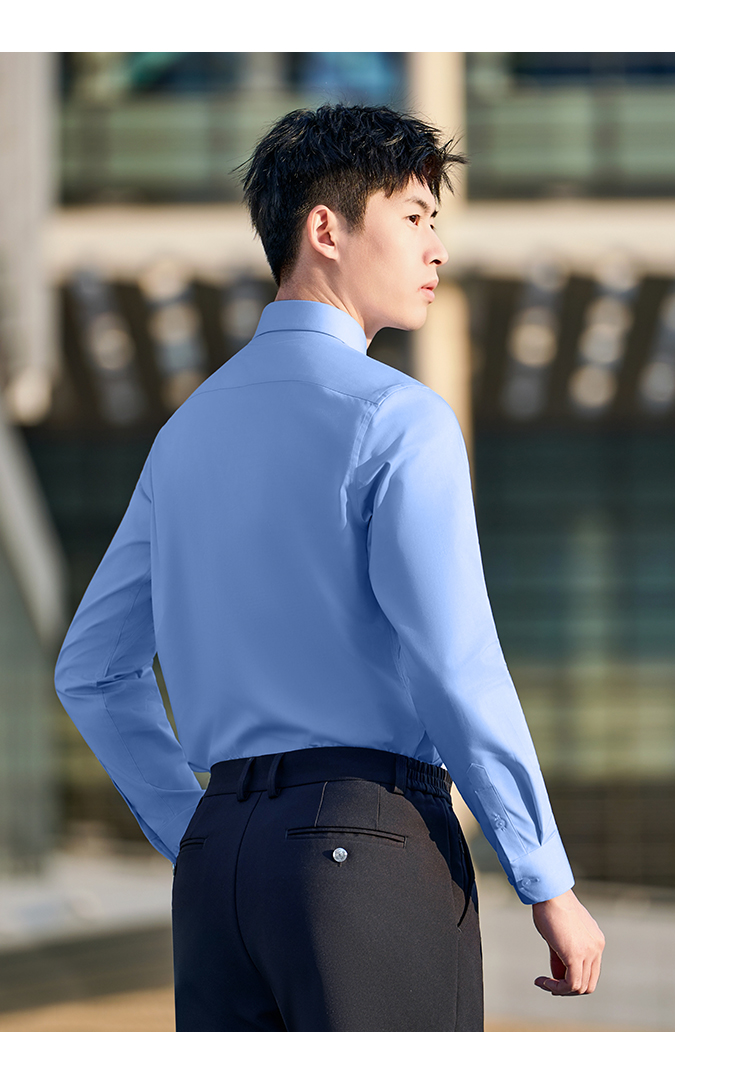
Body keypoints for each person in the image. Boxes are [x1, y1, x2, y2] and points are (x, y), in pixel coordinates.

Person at [54, 102, 605, 1032]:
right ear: (325, 230)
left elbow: (92, 670)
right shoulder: (399, 419)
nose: (438, 249)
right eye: (415, 217)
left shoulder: (183, 435)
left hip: (220, 867)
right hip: (368, 850)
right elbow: (455, 666)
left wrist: (195, 827)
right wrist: (545, 878)